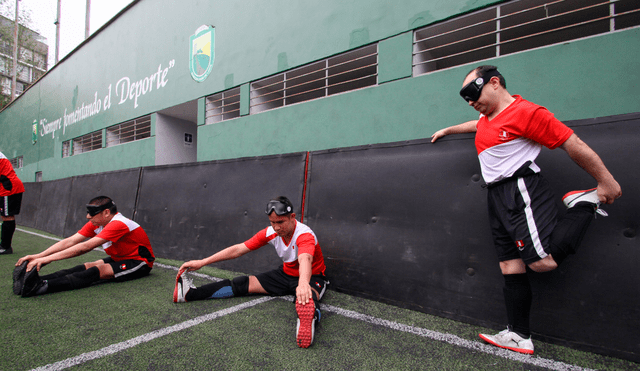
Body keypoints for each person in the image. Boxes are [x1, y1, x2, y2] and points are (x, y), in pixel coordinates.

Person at [431, 65, 621, 355]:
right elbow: (476, 125)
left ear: (494, 82)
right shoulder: (487, 117)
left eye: (472, 93)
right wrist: (447, 130)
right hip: (495, 195)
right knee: (510, 265)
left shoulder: (528, 113)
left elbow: (572, 143)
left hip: (519, 189)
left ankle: (585, 203)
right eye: (464, 98)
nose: (470, 101)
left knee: (543, 262)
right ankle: (519, 335)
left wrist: (605, 181)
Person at [173, 196, 328, 348]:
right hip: (284, 275)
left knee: (307, 297)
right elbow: (239, 249)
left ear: (292, 217)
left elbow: (305, 259)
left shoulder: (304, 234)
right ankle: (188, 294)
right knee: (241, 283)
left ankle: (308, 317)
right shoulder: (271, 232)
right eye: (272, 222)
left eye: (280, 222)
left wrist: (302, 284)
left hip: (311, 276)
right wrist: (203, 262)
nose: (276, 227)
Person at [13, 196, 155, 297]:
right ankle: (35, 281)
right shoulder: (97, 223)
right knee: (85, 266)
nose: (88, 216)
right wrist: (39, 257)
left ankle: (43, 287)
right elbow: (70, 241)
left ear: (106, 213)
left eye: (92, 213)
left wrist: (47, 259)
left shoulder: (119, 223)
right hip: (119, 258)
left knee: (96, 271)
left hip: (139, 262)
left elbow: (85, 247)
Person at [0, 151, 25, 255]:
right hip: (7, 187)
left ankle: (5, 247)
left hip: (9, 188)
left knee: (7, 216)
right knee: (5, 216)